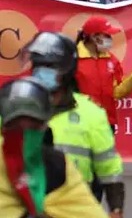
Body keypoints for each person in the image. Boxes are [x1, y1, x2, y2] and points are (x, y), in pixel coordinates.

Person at [22, 32, 125, 214]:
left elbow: (109, 168)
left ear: (66, 70)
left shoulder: (91, 114)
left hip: (74, 207)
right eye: (38, 66)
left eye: (49, 66)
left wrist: (116, 209)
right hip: (25, 204)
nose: (41, 72)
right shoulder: (16, 109)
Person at [0, 78, 109, 218]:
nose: (25, 134)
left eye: (33, 126)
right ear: (3, 128)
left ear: (44, 126)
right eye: (16, 127)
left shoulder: (58, 166)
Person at [75, 16, 132, 127]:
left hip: (106, 123)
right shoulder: (73, 59)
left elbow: (117, 93)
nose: (110, 39)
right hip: (80, 123)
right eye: (107, 35)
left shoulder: (112, 60)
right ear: (94, 37)